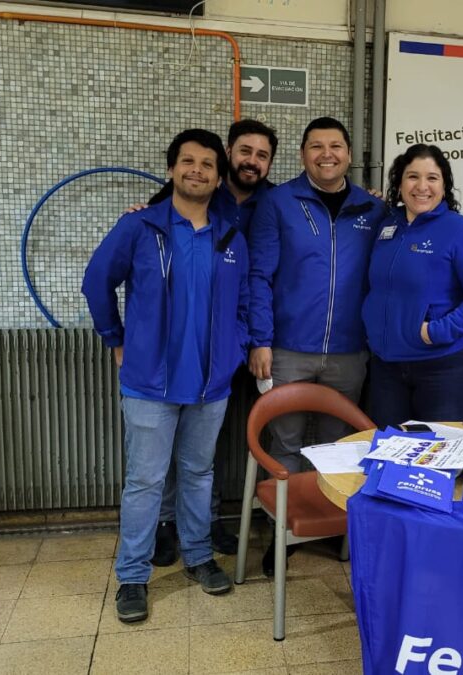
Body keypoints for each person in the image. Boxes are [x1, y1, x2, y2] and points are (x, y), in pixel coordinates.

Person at [83, 129, 249, 623]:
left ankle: (198, 556)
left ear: (219, 177)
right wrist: (115, 338)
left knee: (199, 474)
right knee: (145, 481)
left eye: (207, 164)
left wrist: (235, 349)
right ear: (172, 168)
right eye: (187, 161)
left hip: (209, 384)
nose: (197, 170)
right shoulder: (140, 227)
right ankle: (132, 577)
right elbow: (97, 281)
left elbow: (242, 302)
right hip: (150, 383)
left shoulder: (230, 236)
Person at [246, 116, 386, 575]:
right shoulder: (278, 203)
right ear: (303, 154)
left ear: (349, 153)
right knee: (284, 444)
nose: (327, 154)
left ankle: (332, 528)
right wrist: (260, 340)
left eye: (336, 146)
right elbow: (259, 276)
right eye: (316, 146)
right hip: (287, 349)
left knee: (339, 447)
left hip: (350, 351)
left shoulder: (372, 209)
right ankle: (282, 535)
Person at [141, 119, 279, 567]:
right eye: (244, 151)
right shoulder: (195, 191)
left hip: (242, 342)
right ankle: (165, 523)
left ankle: (205, 519)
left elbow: (256, 280)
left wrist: (250, 340)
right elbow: (150, 230)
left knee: (217, 439)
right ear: (228, 158)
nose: (251, 161)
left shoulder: (277, 202)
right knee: (176, 436)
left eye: (261, 155)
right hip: (185, 347)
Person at [361, 144, 463, 428]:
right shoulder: (387, 228)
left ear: (444, 185)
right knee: (389, 455)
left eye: (432, 178)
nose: (421, 186)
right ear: (399, 183)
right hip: (386, 368)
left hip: (442, 367)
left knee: (438, 458)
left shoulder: (460, 230)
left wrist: (436, 331)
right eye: (412, 176)